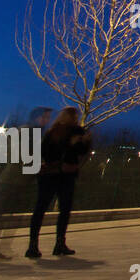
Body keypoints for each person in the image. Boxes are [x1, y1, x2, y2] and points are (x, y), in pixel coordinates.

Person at [0, 107, 53, 261]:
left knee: (8, 217)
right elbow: (21, 154)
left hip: (20, 180)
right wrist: (39, 165)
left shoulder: (33, 133)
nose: (47, 120)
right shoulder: (27, 132)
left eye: (48, 117)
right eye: (44, 117)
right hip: (12, 179)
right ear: (36, 118)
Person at [26, 107, 92, 257]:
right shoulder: (75, 132)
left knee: (41, 208)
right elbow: (80, 153)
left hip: (50, 174)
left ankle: (33, 245)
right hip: (65, 175)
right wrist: (77, 143)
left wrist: (82, 142)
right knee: (63, 210)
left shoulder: (52, 131)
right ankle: (59, 243)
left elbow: (43, 152)